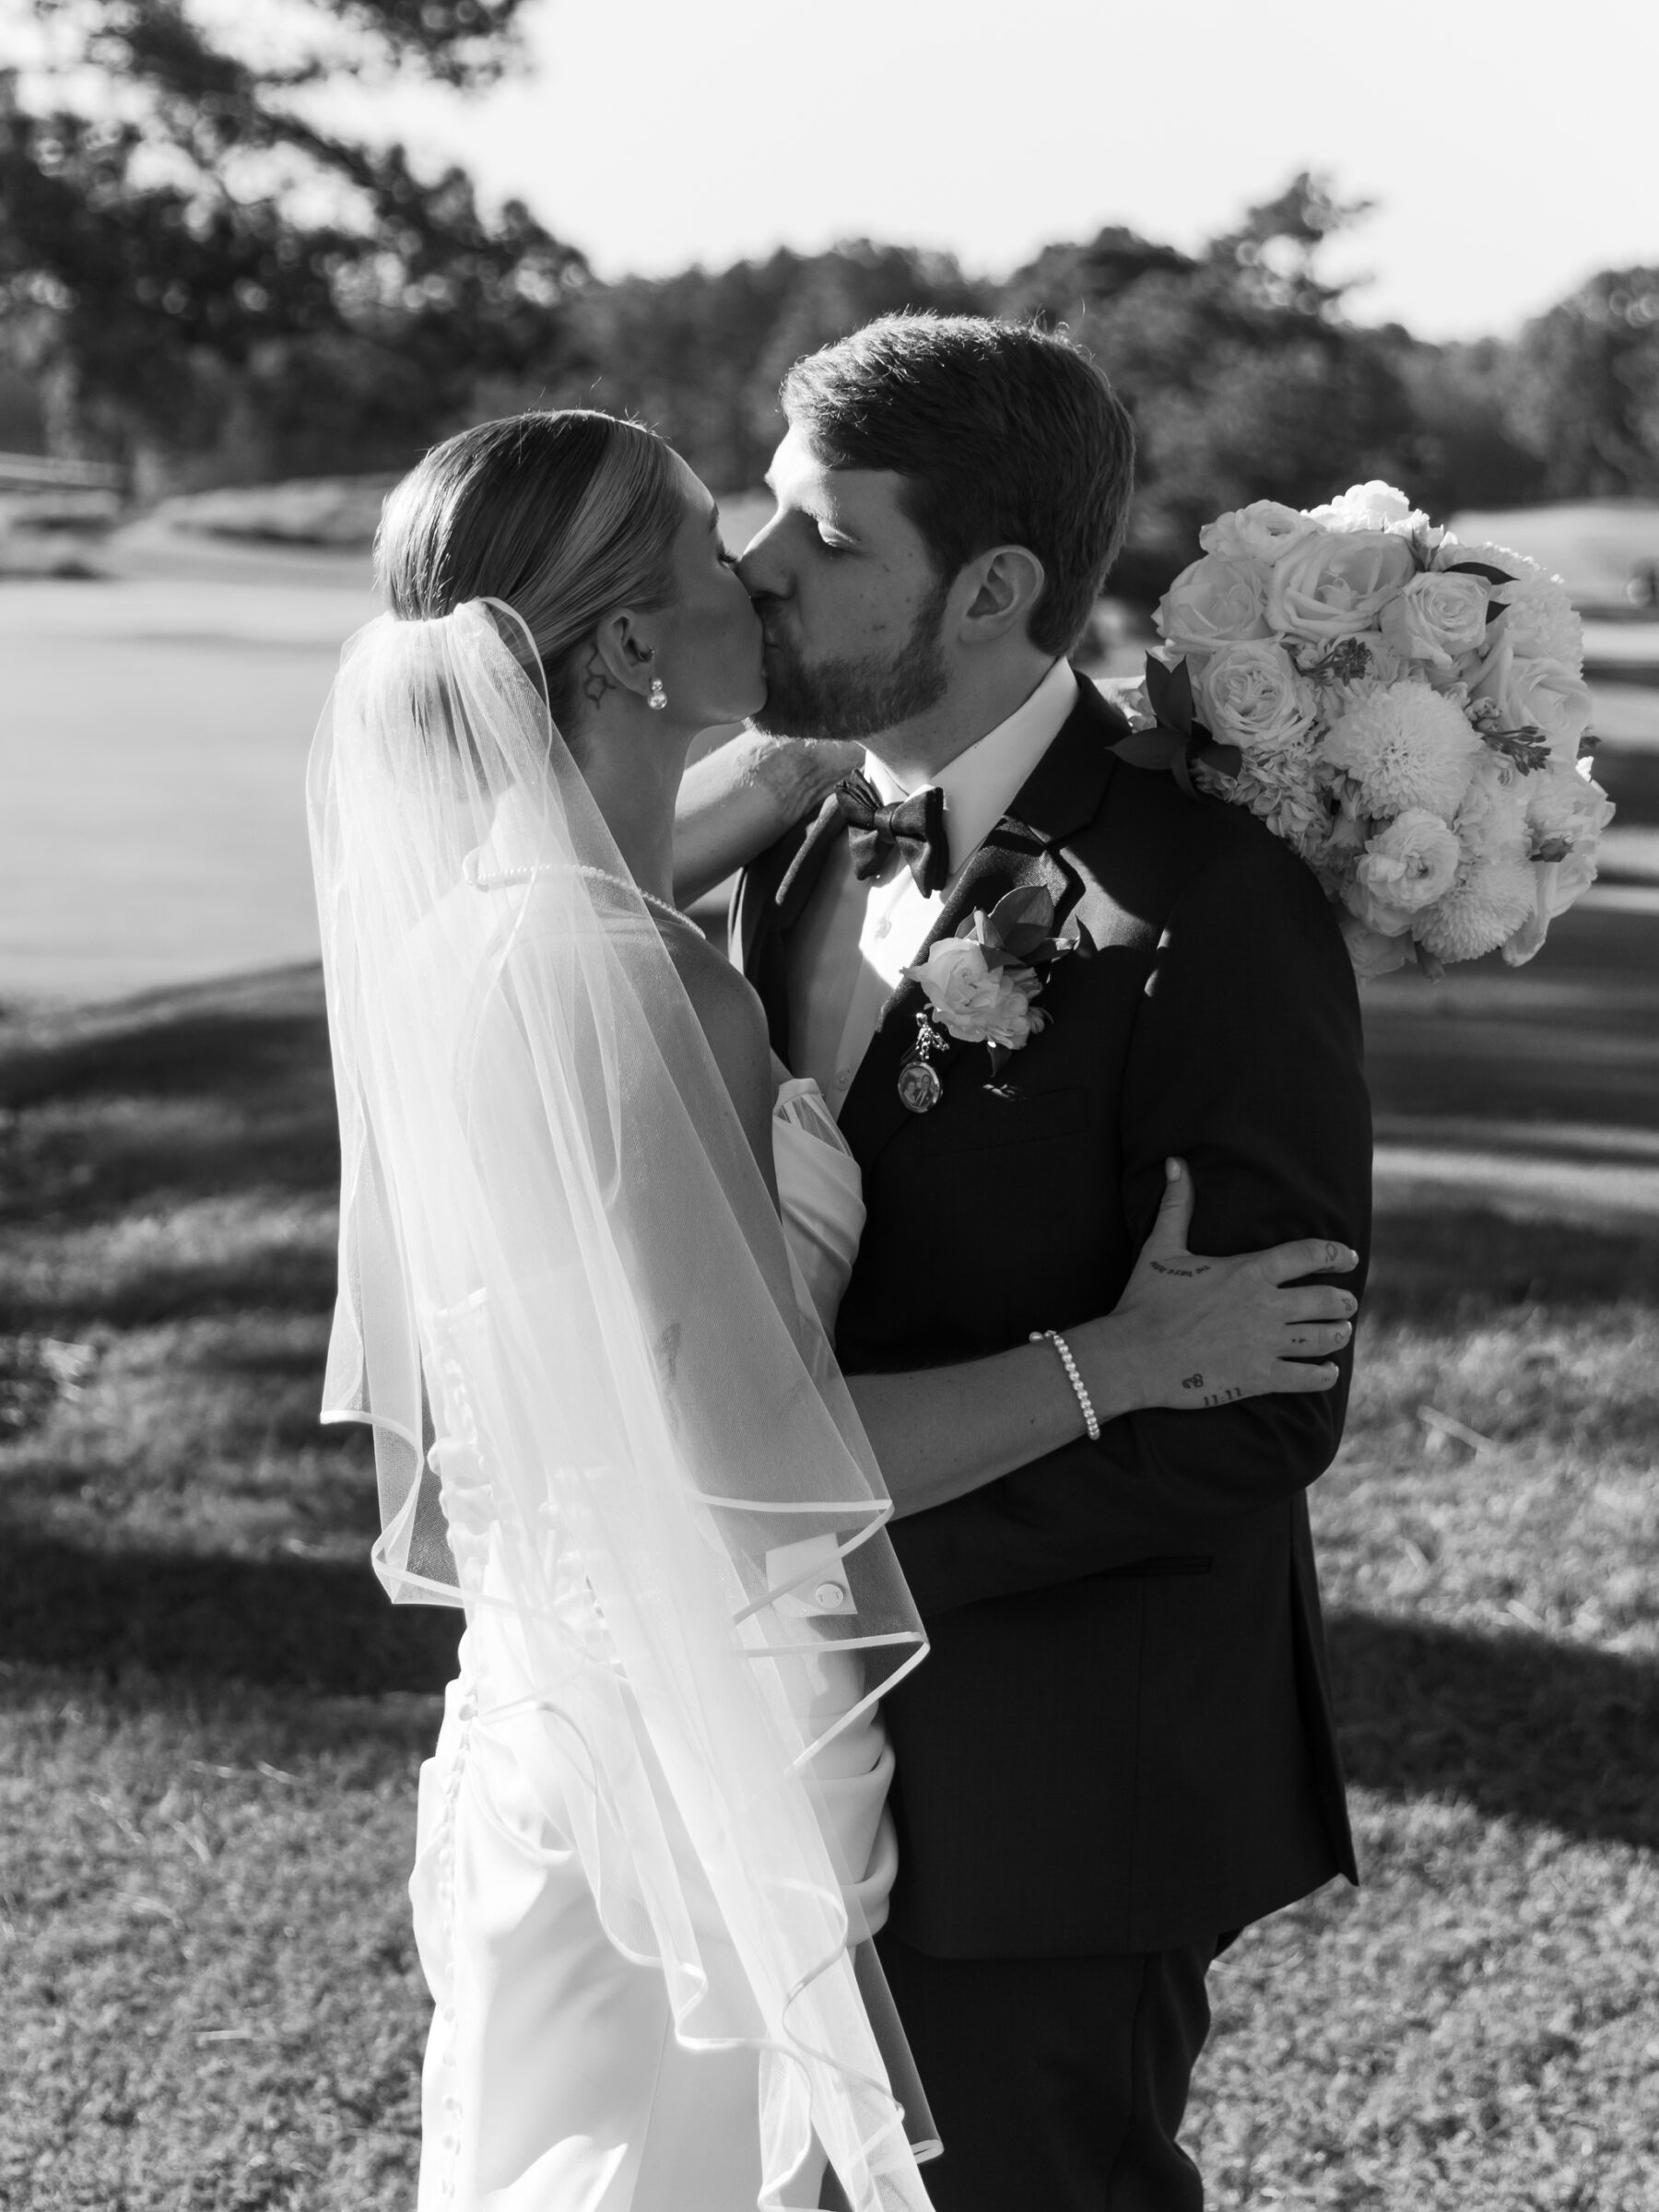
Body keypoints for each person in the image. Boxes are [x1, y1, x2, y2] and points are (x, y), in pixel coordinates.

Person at [309, 406, 1360, 2212]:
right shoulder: (636, 987)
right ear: (633, 647)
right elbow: (744, 1467)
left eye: (802, 530)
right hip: (717, 1747)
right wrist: (1128, 1362)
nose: (762, 567)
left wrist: (1020, 764)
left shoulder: (510, 928)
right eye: (722, 544)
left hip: (588, 1729)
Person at [695, 315, 1374, 2211]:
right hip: (781, 1752)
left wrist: (847, 1560)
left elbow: (1262, 1407)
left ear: (992, 590)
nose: (754, 562)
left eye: (823, 534)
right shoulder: (793, 836)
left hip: (1058, 1778)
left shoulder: (1209, 901)